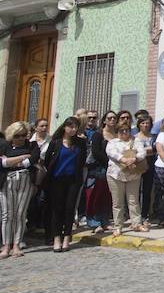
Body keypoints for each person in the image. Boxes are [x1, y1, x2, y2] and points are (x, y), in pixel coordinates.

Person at [43, 117, 87, 253]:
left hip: (73, 180)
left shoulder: (80, 143)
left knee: (69, 208)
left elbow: (82, 160)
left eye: (75, 127)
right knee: (57, 209)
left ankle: (67, 237)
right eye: (70, 126)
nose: (73, 129)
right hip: (57, 180)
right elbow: (47, 161)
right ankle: (56, 237)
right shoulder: (55, 143)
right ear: (64, 127)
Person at [0, 122, 39, 258]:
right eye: (18, 136)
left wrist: (10, 161)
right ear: (11, 135)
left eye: (23, 135)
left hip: (25, 180)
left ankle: (16, 244)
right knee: (7, 214)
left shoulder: (32, 145)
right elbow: (2, 164)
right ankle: (6, 245)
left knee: (20, 214)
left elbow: (33, 159)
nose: (21, 138)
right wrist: (22, 157)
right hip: (6, 181)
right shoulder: (3, 145)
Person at [105, 122, 148, 236]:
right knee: (117, 202)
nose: (124, 133)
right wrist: (124, 159)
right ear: (117, 132)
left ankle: (136, 223)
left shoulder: (136, 140)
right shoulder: (112, 142)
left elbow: (142, 152)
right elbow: (111, 153)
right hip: (116, 175)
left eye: (127, 130)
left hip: (133, 174)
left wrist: (134, 159)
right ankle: (118, 226)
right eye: (121, 131)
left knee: (133, 200)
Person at [86, 110, 117, 233]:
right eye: (109, 118)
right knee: (95, 195)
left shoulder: (117, 135)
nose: (112, 120)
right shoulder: (98, 134)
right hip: (99, 169)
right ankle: (94, 222)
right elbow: (96, 152)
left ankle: (105, 220)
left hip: (113, 169)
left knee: (108, 196)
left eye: (114, 118)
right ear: (104, 120)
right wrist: (109, 161)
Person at [134, 114, 156, 225]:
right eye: (143, 123)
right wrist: (149, 149)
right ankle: (135, 215)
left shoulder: (154, 136)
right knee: (136, 191)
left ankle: (145, 215)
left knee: (147, 191)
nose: (145, 125)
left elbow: (157, 150)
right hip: (138, 165)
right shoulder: (134, 137)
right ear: (139, 124)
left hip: (151, 165)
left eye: (147, 123)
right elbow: (134, 151)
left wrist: (144, 150)